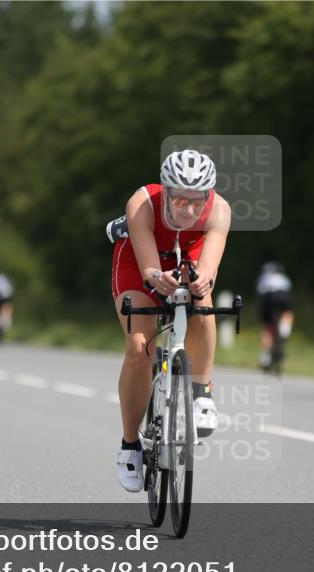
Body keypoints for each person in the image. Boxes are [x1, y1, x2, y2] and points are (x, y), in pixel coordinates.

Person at [110, 149, 231, 493]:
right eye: (179, 200)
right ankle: (130, 445)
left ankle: (202, 392)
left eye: (197, 201)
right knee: (139, 349)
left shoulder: (220, 210)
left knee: (202, 301)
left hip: (187, 254)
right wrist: (155, 277)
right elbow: (149, 268)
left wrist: (201, 282)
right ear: (166, 191)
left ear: (208, 196)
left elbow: (209, 267)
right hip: (138, 261)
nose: (189, 210)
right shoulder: (142, 203)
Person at [256, 261, 294, 372]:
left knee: (267, 326)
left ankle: (265, 356)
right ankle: (284, 330)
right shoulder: (284, 278)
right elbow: (289, 290)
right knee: (288, 312)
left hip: (269, 297)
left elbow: (259, 294)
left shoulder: (262, 278)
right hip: (284, 295)